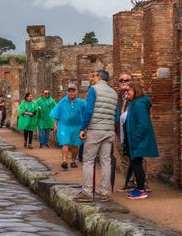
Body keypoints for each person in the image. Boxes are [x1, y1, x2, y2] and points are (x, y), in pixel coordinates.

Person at [74, 70, 119, 203]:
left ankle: (87, 192)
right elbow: (116, 115)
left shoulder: (94, 89)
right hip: (109, 130)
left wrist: (83, 128)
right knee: (106, 162)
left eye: (93, 75)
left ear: (99, 77)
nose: (92, 77)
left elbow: (89, 111)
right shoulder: (114, 93)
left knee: (88, 161)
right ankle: (105, 193)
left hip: (95, 130)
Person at [120, 80, 158, 198]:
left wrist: (136, 138)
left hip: (137, 141)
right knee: (135, 163)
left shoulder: (139, 104)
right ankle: (139, 187)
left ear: (136, 91)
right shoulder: (135, 103)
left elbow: (143, 124)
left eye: (129, 90)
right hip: (134, 140)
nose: (127, 93)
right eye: (126, 91)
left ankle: (141, 190)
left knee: (137, 164)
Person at [50, 84, 88, 170]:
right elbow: (56, 113)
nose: (71, 93)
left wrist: (85, 125)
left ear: (76, 92)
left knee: (75, 145)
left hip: (77, 126)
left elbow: (88, 111)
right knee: (65, 143)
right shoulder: (62, 102)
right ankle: (64, 161)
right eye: (69, 91)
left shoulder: (81, 102)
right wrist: (55, 125)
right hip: (64, 126)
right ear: (67, 92)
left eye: (73, 91)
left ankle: (73, 161)